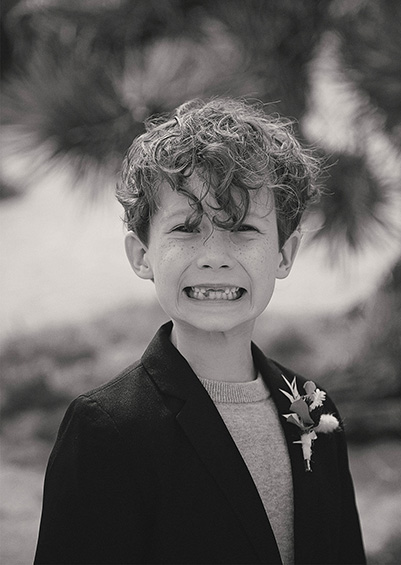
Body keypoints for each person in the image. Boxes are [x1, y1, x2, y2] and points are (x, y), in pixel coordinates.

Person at [34, 98, 366, 565]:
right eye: (187, 229)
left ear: (285, 255)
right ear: (142, 255)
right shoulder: (105, 429)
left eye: (243, 228)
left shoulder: (317, 409)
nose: (214, 255)